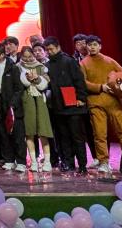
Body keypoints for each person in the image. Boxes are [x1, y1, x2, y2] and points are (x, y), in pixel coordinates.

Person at [81, 36, 122, 174]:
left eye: (94, 44)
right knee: (99, 134)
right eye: (89, 45)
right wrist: (100, 87)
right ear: (86, 47)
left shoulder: (109, 61)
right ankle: (103, 162)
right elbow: (82, 82)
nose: (92, 47)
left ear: (100, 46)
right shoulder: (83, 63)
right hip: (95, 103)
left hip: (114, 102)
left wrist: (115, 87)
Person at [44, 37, 89, 174]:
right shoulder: (47, 65)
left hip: (73, 105)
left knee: (77, 137)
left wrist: (81, 98)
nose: (49, 52)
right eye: (47, 50)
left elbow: (79, 80)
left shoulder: (69, 61)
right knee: (63, 137)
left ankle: (82, 165)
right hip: (58, 106)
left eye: (51, 49)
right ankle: (68, 163)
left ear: (58, 47)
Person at [0, 42, 27, 172]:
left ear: (2, 54)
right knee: (3, 134)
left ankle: (21, 162)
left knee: (17, 135)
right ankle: (9, 160)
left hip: (13, 107)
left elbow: (19, 89)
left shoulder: (12, 68)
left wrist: (12, 104)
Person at [17, 45, 54, 172]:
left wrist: (37, 79)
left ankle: (47, 162)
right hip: (26, 101)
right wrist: (27, 77)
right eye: (25, 57)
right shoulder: (18, 67)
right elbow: (23, 83)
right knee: (29, 132)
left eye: (30, 56)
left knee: (43, 131)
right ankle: (33, 162)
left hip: (40, 101)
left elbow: (44, 85)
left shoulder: (41, 67)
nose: (27, 59)